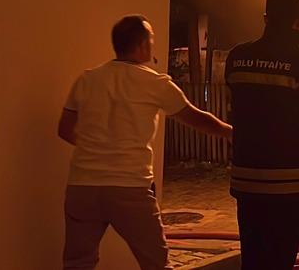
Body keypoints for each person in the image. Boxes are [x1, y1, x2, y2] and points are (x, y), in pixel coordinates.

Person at [57, 15, 233, 270]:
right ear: (142, 45)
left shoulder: (87, 79)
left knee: (77, 263)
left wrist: (98, 149)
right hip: (129, 188)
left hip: (82, 186)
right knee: (156, 264)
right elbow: (197, 119)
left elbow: (64, 129)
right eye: (151, 38)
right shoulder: (155, 83)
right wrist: (231, 132)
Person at [226, 0, 299, 270]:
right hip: (288, 185)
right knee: (279, 260)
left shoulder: (237, 57)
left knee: (253, 259)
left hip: (246, 181)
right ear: (298, 20)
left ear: (266, 18)